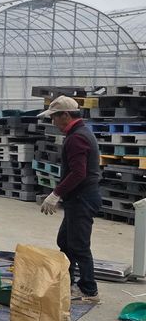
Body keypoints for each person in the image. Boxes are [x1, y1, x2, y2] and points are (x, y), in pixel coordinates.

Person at [38, 95, 101, 303]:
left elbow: (78, 173)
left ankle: (89, 290)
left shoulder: (77, 138)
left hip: (82, 198)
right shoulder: (80, 133)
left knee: (79, 245)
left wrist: (56, 194)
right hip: (79, 198)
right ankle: (67, 281)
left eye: (54, 117)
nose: (53, 121)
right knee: (65, 241)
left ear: (65, 115)